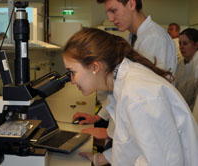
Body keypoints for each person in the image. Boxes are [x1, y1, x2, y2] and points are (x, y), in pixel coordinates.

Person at [64, 27, 198, 166]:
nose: (72, 81)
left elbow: (162, 161)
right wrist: (100, 159)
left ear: (95, 67)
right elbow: (133, 142)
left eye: (72, 72)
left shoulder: (137, 93)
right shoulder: (123, 83)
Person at [73, 0, 177, 150]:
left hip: (147, 135)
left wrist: (111, 133)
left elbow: (145, 101)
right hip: (131, 131)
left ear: (131, 4)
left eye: (113, 11)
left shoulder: (154, 39)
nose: (110, 18)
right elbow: (117, 84)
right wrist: (100, 117)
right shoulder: (133, 37)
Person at [175, 28, 198, 111]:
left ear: (196, 45)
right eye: (180, 43)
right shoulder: (180, 65)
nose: (181, 47)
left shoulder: (196, 66)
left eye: (185, 43)